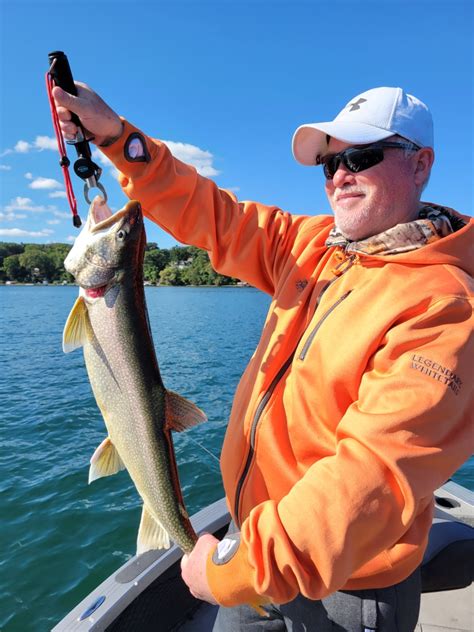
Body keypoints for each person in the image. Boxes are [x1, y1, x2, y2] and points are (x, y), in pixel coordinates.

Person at [53, 84, 473, 631]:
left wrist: (231, 571)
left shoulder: (443, 310)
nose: (340, 175)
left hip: (348, 585)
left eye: (362, 156)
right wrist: (115, 136)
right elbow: (215, 215)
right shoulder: (312, 246)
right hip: (253, 541)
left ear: (421, 165)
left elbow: (369, 481)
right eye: (329, 162)